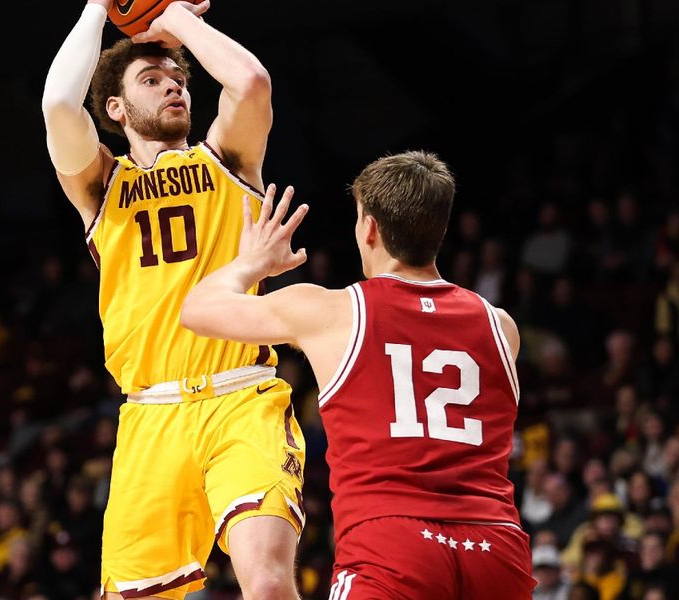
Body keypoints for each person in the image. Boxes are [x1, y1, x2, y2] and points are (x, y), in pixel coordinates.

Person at [181, 151, 537, 598]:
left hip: (393, 546)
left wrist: (253, 262)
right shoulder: (501, 327)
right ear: (440, 229)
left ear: (368, 228)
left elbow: (197, 310)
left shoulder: (334, 312)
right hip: (495, 547)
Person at [41, 2, 305, 599]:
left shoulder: (228, 160)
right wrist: (96, 7)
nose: (174, 88)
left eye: (180, 80)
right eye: (152, 80)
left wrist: (176, 19)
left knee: (265, 580)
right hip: (149, 415)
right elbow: (59, 104)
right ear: (115, 108)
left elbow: (251, 82)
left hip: (241, 397)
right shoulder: (101, 186)